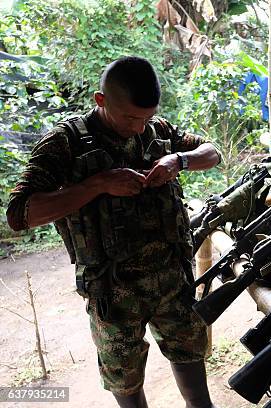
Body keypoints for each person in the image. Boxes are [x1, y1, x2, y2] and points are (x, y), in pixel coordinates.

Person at [6, 56, 221, 408]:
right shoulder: (65, 143)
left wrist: (177, 160)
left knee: (194, 378)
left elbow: (211, 152)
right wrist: (99, 184)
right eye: (130, 118)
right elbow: (19, 213)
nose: (139, 128)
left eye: (147, 117)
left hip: (172, 281)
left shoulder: (159, 132)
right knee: (127, 383)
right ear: (100, 100)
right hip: (113, 292)